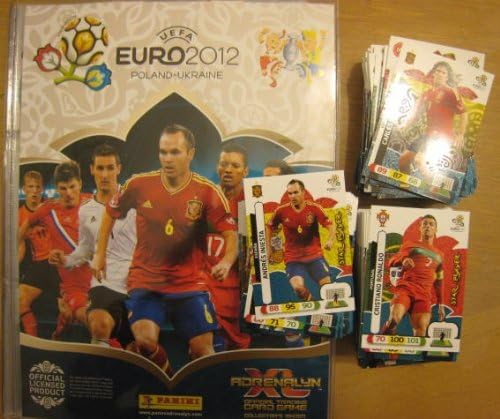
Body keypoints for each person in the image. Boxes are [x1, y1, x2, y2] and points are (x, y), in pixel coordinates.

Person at [92, 124, 238, 372]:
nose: (168, 158)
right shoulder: (139, 184)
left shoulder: (207, 192)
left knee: (204, 353)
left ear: (190, 154)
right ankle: (169, 378)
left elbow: (230, 234)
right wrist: (99, 255)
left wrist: (226, 261)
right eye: (163, 152)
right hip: (146, 281)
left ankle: (191, 372)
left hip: (190, 284)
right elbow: (110, 213)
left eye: (175, 152)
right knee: (144, 343)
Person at [49, 144, 135, 348]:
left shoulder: (135, 202)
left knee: (140, 346)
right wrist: (66, 260)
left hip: (136, 283)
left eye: (110, 168)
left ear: (118, 169)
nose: (105, 175)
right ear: (92, 170)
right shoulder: (86, 210)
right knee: (98, 325)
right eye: (100, 168)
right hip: (104, 284)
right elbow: (85, 249)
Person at [19, 161, 92, 339]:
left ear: (80, 183)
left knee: (79, 316)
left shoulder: (93, 203)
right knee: (19, 299)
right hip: (62, 274)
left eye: (72, 187)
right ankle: (39, 343)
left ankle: (60, 331)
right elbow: (20, 233)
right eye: (63, 188)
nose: (68, 193)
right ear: (57, 188)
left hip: (91, 272)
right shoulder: (48, 209)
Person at [206, 144, 251, 350]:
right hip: (205, 277)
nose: (228, 170)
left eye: (235, 165)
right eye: (224, 164)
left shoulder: (252, 202)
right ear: (217, 167)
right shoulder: (206, 197)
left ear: (245, 171)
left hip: (237, 280)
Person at [266, 179, 335, 302]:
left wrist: (330, 240)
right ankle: (313, 305)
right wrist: (269, 248)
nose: (292, 196)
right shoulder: (281, 211)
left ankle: (329, 310)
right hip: (293, 258)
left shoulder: (314, 208)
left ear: (303, 192)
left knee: (327, 290)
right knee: (298, 288)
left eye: (296, 192)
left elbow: (330, 224)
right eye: (290, 193)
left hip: (314, 255)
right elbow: (269, 227)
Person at [398, 61, 468, 176]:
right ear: (433, 73)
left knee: (419, 161)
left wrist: (461, 134)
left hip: (442, 137)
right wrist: (405, 124)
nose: (440, 74)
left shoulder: (450, 92)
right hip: (428, 134)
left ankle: (433, 185)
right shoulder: (427, 94)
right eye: (438, 71)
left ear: (447, 77)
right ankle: (406, 184)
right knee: (403, 161)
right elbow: (416, 114)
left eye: (443, 73)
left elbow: (464, 113)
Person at [381, 215, 445, 337]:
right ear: (420, 228)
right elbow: (393, 259)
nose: (427, 226)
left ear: (436, 229)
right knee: (394, 319)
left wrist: (441, 304)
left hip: (424, 295)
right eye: (424, 224)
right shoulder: (410, 245)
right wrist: (404, 260)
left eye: (431, 224)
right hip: (406, 288)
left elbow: (439, 282)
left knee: (421, 330)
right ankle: (384, 338)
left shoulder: (440, 255)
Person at [18, 171, 58, 336]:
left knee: (70, 311)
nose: (34, 191)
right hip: (39, 265)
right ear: (24, 189)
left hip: (59, 263)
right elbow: (21, 247)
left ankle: (57, 339)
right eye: (30, 187)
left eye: (37, 187)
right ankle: (33, 341)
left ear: (42, 189)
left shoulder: (52, 208)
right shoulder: (19, 215)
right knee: (18, 299)